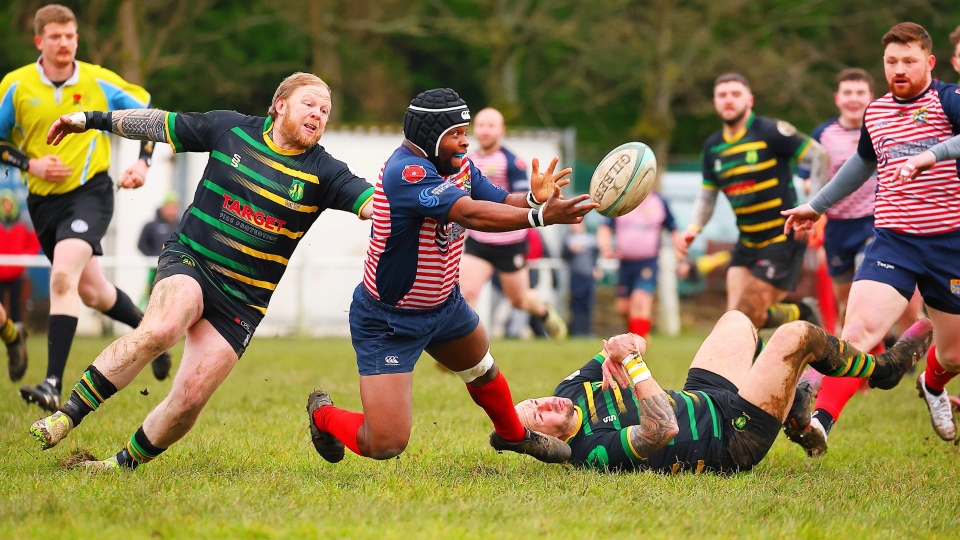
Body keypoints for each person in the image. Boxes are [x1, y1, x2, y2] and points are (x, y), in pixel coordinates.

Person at [29, 72, 376, 471]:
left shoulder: (325, 172)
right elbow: (159, 123)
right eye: (309, 104)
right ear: (280, 105)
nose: (318, 114)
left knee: (190, 398)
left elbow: (373, 204)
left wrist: (421, 205)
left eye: (325, 111)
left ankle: (117, 466)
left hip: (244, 301)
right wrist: (90, 119)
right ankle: (67, 415)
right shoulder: (230, 129)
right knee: (161, 328)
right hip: (192, 260)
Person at [305, 88, 595, 465]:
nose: (465, 140)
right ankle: (322, 417)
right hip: (390, 320)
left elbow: (497, 200)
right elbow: (471, 214)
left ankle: (512, 435)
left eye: (465, 130)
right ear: (430, 134)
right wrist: (540, 218)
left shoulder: (459, 165)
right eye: (457, 132)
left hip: (444, 306)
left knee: (480, 364)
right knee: (386, 443)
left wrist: (533, 200)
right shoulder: (406, 172)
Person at [783, 22, 960, 446]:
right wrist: (815, 206)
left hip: (949, 244)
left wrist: (929, 156)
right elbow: (862, 164)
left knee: (954, 354)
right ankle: (817, 416)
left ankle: (933, 385)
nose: (899, 69)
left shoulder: (950, 100)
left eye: (909, 61)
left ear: (929, 63)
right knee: (858, 331)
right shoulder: (876, 111)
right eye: (891, 62)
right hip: (893, 240)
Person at [0, 5, 171, 411]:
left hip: (90, 193)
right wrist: (31, 163)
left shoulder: (98, 81)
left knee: (62, 275)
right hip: (43, 202)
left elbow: (148, 116)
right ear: (39, 41)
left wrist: (142, 162)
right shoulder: (16, 86)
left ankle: (52, 384)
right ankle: (154, 338)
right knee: (92, 291)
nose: (65, 43)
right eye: (56, 37)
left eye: (71, 36)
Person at [514, 312, 932, 474]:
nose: (546, 404)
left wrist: (621, 347)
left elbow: (639, 342)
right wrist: (634, 365)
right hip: (733, 437)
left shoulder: (568, 389)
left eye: (534, 401)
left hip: (708, 395)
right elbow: (662, 429)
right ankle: (883, 369)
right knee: (797, 335)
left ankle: (792, 405)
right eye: (539, 416)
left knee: (736, 320)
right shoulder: (592, 452)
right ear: (549, 440)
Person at [791, 68, 924, 455]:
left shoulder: (884, 122)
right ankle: (868, 361)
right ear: (837, 98)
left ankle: (891, 346)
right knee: (848, 308)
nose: (852, 98)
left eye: (859, 91)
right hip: (835, 227)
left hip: (876, 224)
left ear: (870, 94)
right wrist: (812, 207)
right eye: (846, 92)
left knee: (876, 297)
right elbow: (809, 176)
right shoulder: (823, 134)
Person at [680, 73, 830, 330]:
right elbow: (708, 194)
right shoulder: (713, 147)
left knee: (746, 314)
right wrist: (694, 228)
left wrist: (814, 208)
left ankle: (802, 312)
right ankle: (793, 320)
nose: (729, 100)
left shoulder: (771, 132)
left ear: (749, 99)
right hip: (746, 242)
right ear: (715, 102)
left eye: (735, 94)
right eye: (722, 95)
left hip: (782, 239)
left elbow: (819, 156)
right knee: (734, 322)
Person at [458, 108, 567, 339]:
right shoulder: (468, 161)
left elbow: (522, 203)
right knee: (465, 293)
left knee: (519, 300)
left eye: (491, 126)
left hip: (510, 243)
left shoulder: (512, 162)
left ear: (502, 130)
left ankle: (544, 312)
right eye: (480, 125)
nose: (485, 131)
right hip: (479, 240)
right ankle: (461, 344)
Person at [597, 192, 683, 338]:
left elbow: (673, 229)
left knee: (640, 300)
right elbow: (605, 228)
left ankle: (638, 344)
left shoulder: (659, 202)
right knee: (623, 308)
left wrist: (680, 256)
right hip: (624, 263)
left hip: (647, 262)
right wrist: (605, 248)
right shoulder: (620, 200)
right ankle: (635, 336)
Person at [0, 189, 40, 381]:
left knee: (14, 307)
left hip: (16, 272)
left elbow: (33, 244)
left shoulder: (23, 224)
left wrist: (24, 259)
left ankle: (15, 339)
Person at [137, 191, 181, 298]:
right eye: (170, 208)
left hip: (176, 268)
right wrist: (155, 257)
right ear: (163, 208)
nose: (172, 211)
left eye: (175, 208)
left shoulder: (180, 226)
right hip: (155, 269)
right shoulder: (151, 225)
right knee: (151, 295)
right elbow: (141, 244)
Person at [561, 222, 599, 337]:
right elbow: (563, 256)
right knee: (576, 305)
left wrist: (596, 268)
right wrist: (571, 251)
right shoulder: (568, 240)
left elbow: (595, 256)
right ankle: (576, 331)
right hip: (576, 276)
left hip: (588, 277)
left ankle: (587, 331)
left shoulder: (590, 240)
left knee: (587, 305)